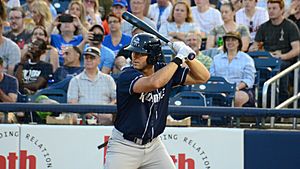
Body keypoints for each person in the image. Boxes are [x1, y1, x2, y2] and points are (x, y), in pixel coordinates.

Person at [104, 32, 210, 169]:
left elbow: (203, 77)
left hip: (153, 146)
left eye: (140, 53)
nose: (134, 57)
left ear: (153, 56)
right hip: (125, 146)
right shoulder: (127, 75)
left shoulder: (164, 70)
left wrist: (189, 57)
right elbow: (155, 82)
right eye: (133, 52)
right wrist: (178, 58)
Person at [249, 0, 300, 103]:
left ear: (282, 10)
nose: (271, 11)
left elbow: (297, 49)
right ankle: (255, 101)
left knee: (280, 66)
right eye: (269, 8)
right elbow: (256, 45)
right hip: (267, 59)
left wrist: (282, 56)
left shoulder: (290, 26)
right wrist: (254, 49)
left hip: (285, 61)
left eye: (274, 8)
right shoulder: (264, 27)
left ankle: (281, 103)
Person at [68, 46, 116, 125]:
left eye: (92, 58)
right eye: (86, 58)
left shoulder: (108, 79)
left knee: (109, 116)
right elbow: (72, 103)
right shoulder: (75, 80)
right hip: (82, 118)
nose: (88, 60)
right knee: (73, 116)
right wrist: (87, 113)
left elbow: (115, 99)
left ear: (99, 60)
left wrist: (104, 110)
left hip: (104, 118)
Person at [210, 32, 256, 107]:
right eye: (228, 40)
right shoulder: (216, 58)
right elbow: (212, 76)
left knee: (237, 98)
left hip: (240, 89)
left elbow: (249, 79)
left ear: (238, 43)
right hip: (219, 89)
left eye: (233, 40)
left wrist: (236, 88)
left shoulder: (247, 59)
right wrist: (217, 86)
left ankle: (233, 118)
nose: (230, 42)